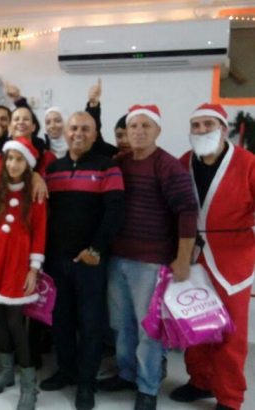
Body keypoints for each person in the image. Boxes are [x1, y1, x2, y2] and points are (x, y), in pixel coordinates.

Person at [98, 105, 198, 410]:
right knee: (121, 324)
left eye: (146, 126)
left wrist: (183, 259)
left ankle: (148, 386)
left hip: (151, 262)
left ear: (157, 130)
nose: (139, 131)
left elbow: (187, 211)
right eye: (134, 126)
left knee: (148, 329)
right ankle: (127, 374)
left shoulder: (168, 166)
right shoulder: (119, 163)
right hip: (118, 258)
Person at [170, 103, 255, 410]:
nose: (202, 130)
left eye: (208, 124)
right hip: (192, 254)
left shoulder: (248, 163)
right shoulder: (183, 162)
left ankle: (230, 397)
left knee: (231, 332)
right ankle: (200, 381)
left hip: (233, 258)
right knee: (195, 321)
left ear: (222, 128)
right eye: (196, 125)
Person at [40, 112, 124, 410]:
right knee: (61, 321)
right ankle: (66, 371)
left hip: (90, 262)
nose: (78, 133)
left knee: (91, 324)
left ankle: (86, 383)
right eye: (74, 128)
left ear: (95, 133)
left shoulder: (107, 166)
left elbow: (115, 212)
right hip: (57, 261)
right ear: (66, 132)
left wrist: (96, 249)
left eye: (85, 129)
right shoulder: (53, 169)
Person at [0, 137, 47, 410]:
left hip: (17, 263)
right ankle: (6, 372)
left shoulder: (33, 191)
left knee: (15, 321)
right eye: (10, 158)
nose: (13, 164)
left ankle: (29, 384)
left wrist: (33, 269)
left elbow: (40, 231)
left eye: (19, 159)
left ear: (28, 164)